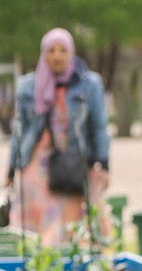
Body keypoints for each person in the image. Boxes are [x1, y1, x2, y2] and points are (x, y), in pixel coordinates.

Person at [5, 28, 110, 246]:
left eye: (63, 50)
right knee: (36, 232)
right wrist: (10, 171)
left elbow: (99, 127)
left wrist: (103, 162)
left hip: (74, 163)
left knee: (77, 227)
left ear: (71, 53)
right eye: (51, 50)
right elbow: (19, 131)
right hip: (37, 167)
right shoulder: (28, 87)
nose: (57, 56)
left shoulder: (88, 84)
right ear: (44, 54)